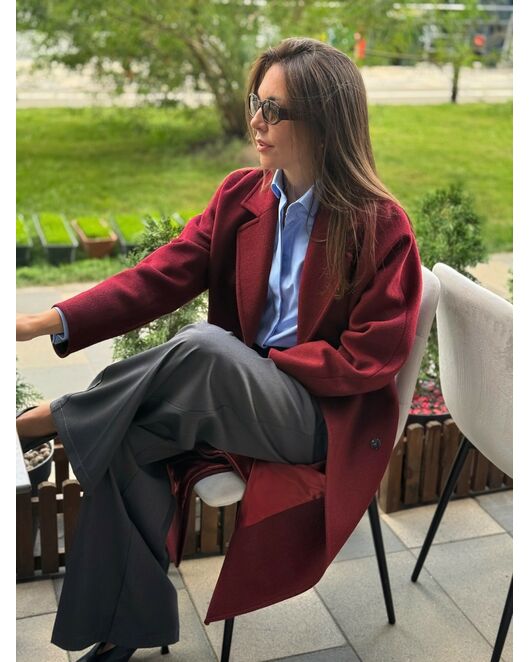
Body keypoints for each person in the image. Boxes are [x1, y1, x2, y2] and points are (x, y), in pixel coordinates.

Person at [16, 37, 423, 661]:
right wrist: (45, 321)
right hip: (233, 397)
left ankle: (50, 420)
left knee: (206, 347)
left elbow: (371, 358)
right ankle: (127, 628)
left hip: (319, 420)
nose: (255, 121)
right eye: (255, 102)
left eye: (274, 110)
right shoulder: (241, 196)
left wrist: (265, 366)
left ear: (324, 122)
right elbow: (160, 276)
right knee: (130, 439)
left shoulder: (380, 225)